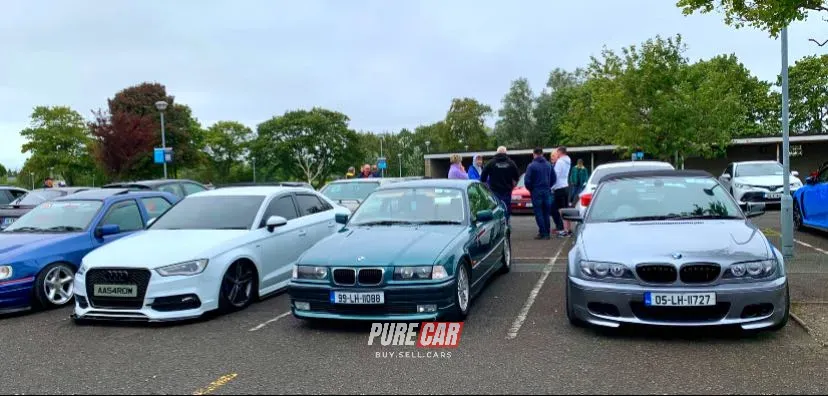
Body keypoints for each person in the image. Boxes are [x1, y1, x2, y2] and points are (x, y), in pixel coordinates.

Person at [480, 146, 520, 222]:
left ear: (497, 152)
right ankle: (506, 224)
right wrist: (512, 186)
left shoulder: (491, 163)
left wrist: (487, 187)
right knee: (506, 209)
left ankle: (498, 225)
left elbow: (483, 177)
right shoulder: (511, 163)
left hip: (494, 191)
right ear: (505, 153)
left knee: (496, 209)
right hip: (507, 191)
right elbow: (517, 177)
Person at [524, 147, 556, 240]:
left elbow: (527, 181)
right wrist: (548, 186)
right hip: (546, 191)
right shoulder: (549, 165)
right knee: (546, 212)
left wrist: (532, 189)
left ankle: (543, 232)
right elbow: (554, 179)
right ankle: (547, 233)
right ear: (542, 154)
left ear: (534, 154)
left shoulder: (531, 166)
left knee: (539, 212)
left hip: (536, 191)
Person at [551, 146, 572, 237]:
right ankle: (568, 228)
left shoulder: (559, 162)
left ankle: (564, 230)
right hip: (566, 186)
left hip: (559, 187)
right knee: (566, 208)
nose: (557, 154)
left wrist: (551, 187)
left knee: (560, 210)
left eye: (557, 152)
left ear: (560, 152)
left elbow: (556, 176)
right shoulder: (568, 160)